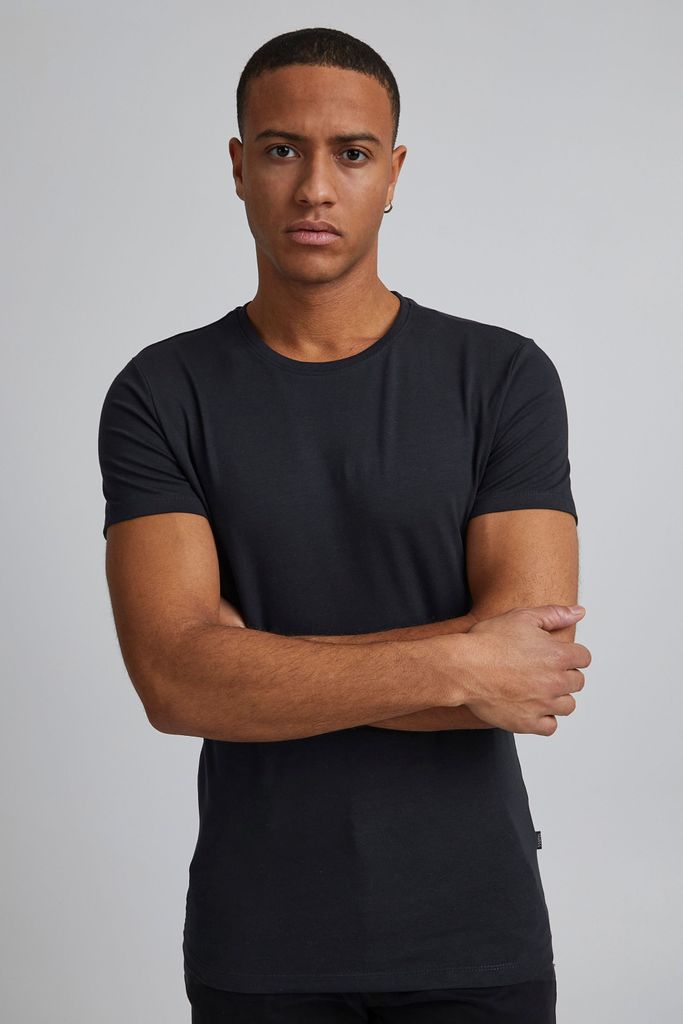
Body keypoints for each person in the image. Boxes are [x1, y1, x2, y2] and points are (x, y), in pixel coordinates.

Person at [98, 26, 591, 1024]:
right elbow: (175, 682)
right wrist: (460, 658)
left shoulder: (500, 378)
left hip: (473, 936)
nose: (314, 188)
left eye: (352, 153)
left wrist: (250, 665)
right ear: (238, 168)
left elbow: (529, 673)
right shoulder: (162, 392)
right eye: (281, 149)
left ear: (393, 172)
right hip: (260, 942)